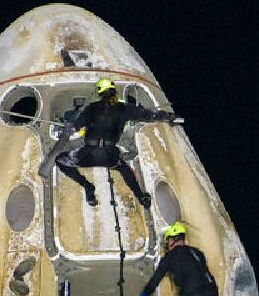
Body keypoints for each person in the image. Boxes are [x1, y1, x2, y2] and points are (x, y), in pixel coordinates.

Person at [54, 78, 176, 208]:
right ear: (113, 91)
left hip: (86, 155)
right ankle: (141, 197)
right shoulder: (124, 108)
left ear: (100, 93)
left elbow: (76, 126)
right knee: (124, 169)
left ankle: (87, 186)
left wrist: (69, 125)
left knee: (60, 159)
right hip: (110, 157)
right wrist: (168, 116)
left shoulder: (91, 108)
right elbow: (149, 115)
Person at [128, 221, 223, 296]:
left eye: (168, 240)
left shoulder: (169, 257)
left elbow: (153, 283)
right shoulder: (197, 253)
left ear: (173, 240)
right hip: (212, 295)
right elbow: (198, 275)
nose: (167, 244)